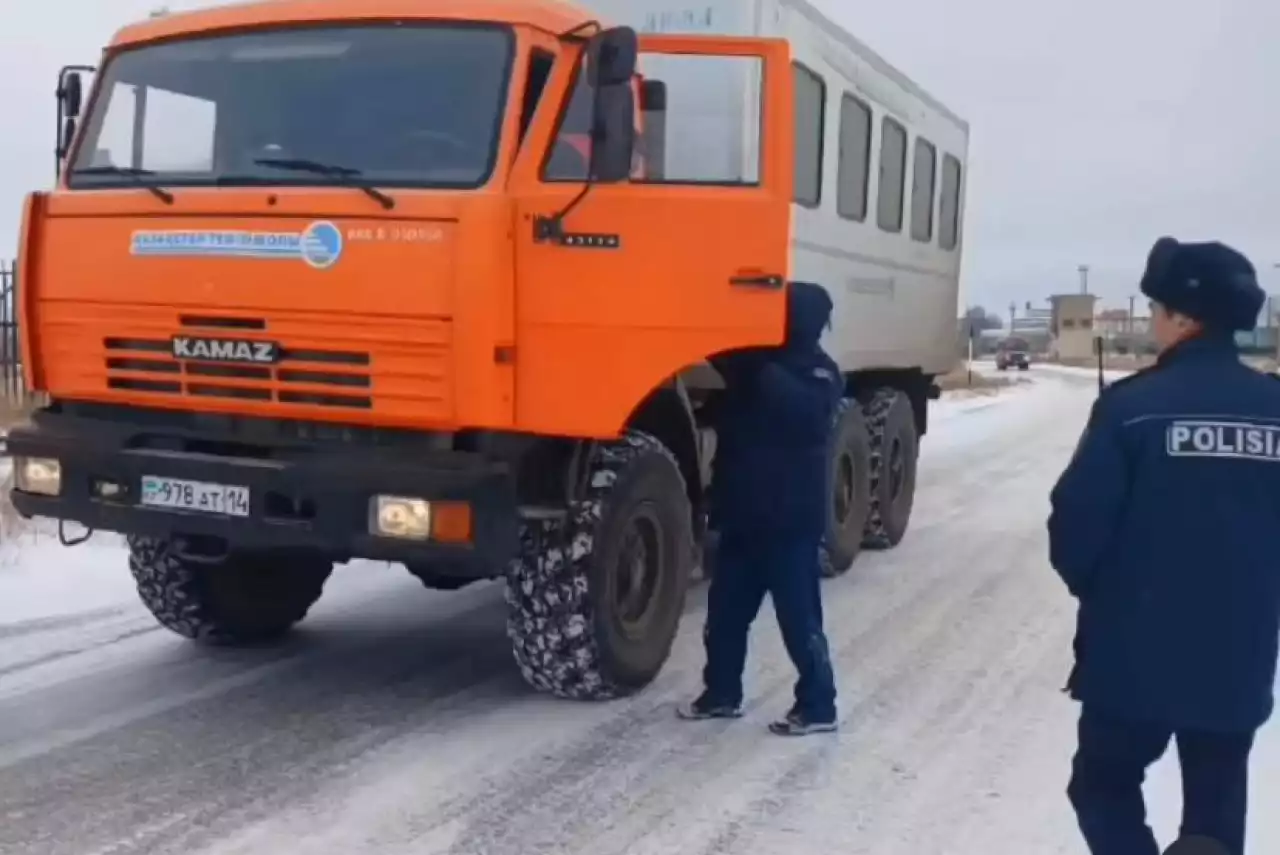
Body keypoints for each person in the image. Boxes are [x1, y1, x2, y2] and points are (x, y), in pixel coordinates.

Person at [1048, 236, 1280, 855]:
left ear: (1182, 316)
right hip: (1240, 652)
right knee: (1215, 804)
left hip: (1132, 653)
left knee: (1102, 784)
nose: (1151, 322)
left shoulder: (1131, 410)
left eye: (1155, 309)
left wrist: (1105, 593)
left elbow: (1074, 529)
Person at [677, 281, 843, 736]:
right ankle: (721, 694)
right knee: (725, 618)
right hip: (742, 518)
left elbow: (803, 412)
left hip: (790, 525)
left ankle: (818, 706)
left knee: (799, 621)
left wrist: (752, 365)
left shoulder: (820, 374)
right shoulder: (752, 368)